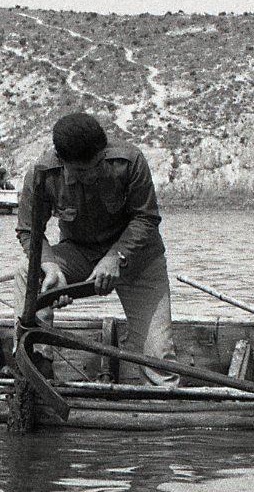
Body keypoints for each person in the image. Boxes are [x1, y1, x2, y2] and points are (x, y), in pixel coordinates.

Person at [16, 112, 179, 386]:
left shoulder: (130, 160)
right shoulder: (42, 173)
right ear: (61, 161)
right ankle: (36, 370)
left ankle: (164, 408)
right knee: (26, 273)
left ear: (104, 153)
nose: (90, 176)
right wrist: (52, 267)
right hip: (78, 254)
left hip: (139, 261)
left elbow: (146, 218)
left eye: (96, 166)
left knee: (158, 358)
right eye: (80, 172)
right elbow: (29, 231)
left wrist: (116, 257)